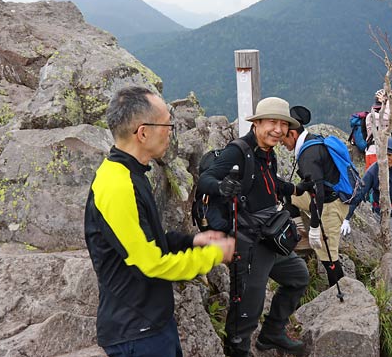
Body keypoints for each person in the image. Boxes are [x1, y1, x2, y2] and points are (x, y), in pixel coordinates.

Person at [84, 86, 235, 357]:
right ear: (143, 133)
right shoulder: (118, 185)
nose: (171, 131)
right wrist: (212, 255)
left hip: (148, 324)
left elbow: (145, 237)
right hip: (136, 333)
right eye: (167, 124)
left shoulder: (131, 173)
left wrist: (193, 240)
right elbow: (151, 263)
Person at [197, 97, 310, 357]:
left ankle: (272, 333)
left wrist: (294, 189)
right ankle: (238, 348)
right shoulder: (238, 150)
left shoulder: (268, 153)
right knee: (249, 300)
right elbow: (205, 179)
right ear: (257, 123)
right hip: (248, 240)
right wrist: (221, 187)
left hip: (269, 235)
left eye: (283, 125)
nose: (278, 130)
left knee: (298, 277)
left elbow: (267, 181)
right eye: (272, 122)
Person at [282, 105, 349, 287]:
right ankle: (301, 239)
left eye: (283, 137)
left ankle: (342, 292)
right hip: (326, 198)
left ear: (293, 135)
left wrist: (314, 227)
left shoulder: (308, 155)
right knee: (290, 195)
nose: (281, 142)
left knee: (329, 258)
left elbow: (317, 193)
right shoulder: (311, 141)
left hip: (331, 204)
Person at [342, 136, 392, 256]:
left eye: (390, 155)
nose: (387, 158)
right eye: (383, 155)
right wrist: (347, 218)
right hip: (386, 215)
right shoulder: (374, 171)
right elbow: (360, 193)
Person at [364, 88, 392, 171]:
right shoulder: (372, 116)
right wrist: (387, 103)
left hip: (380, 151)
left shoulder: (373, 115)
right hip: (374, 152)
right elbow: (389, 118)